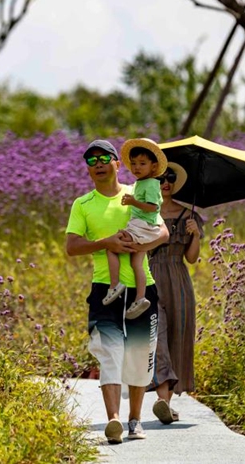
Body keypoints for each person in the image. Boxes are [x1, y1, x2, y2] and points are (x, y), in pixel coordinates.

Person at [65, 139, 169, 444]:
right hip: (105, 289)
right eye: (90, 160)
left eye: (103, 158)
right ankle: (113, 421)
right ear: (87, 169)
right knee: (109, 355)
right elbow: (72, 247)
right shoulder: (82, 205)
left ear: (116, 164)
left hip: (141, 289)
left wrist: (140, 245)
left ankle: (135, 420)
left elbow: (162, 231)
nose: (97, 164)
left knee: (139, 357)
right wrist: (105, 243)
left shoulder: (135, 192)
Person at [147, 162, 204, 425]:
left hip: (179, 281)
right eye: (160, 178)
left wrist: (195, 236)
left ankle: (165, 404)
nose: (166, 182)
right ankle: (162, 400)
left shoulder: (189, 216)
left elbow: (192, 259)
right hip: (149, 279)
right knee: (155, 339)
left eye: (170, 177)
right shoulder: (145, 214)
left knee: (177, 340)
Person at [102, 138, 168, 323]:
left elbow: (152, 207)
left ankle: (115, 285)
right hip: (144, 226)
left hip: (143, 226)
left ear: (153, 166)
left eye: (142, 163)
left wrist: (133, 202)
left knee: (112, 245)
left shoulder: (152, 184)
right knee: (136, 263)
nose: (136, 167)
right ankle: (140, 298)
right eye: (133, 164)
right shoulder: (141, 183)